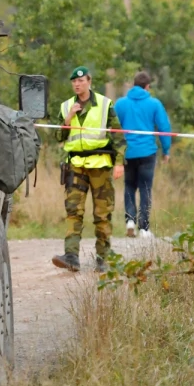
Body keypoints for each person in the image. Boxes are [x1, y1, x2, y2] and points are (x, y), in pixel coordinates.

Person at [52, 66, 126, 273]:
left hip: (100, 166)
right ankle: (71, 257)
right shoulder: (66, 106)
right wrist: (68, 118)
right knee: (73, 211)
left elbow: (118, 135)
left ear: (89, 81)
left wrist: (119, 162)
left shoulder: (104, 104)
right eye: (74, 81)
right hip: (76, 166)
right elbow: (58, 136)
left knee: (102, 214)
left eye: (81, 81)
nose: (77, 84)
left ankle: (103, 258)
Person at [114, 70, 172, 239]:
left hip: (128, 152)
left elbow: (113, 128)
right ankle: (144, 228)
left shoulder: (121, 104)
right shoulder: (154, 103)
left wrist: (114, 151)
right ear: (147, 86)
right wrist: (166, 150)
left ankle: (130, 221)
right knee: (145, 188)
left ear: (134, 85)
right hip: (147, 152)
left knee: (129, 186)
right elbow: (164, 127)